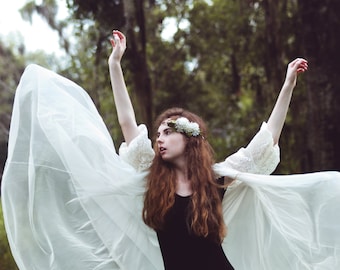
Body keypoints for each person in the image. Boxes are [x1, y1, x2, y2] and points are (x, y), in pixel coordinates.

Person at [1, 30, 340, 270]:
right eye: (158, 132)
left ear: (189, 139)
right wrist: (114, 65)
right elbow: (126, 121)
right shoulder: (153, 181)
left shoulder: (218, 180)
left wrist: (288, 83)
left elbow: (266, 141)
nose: (158, 138)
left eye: (167, 132)